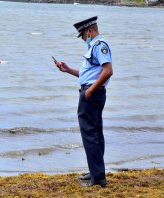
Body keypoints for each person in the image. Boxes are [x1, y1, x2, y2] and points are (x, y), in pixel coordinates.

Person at [54, 16, 113, 187]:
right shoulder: (93, 46)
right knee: (95, 133)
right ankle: (96, 171)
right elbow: (90, 75)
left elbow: (108, 71)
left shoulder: (99, 45)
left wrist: (90, 91)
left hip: (91, 94)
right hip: (92, 91)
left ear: (89, 31)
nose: (81, 38)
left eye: (81, 34)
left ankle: (99, 178)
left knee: (90, 135)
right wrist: (68, 70)